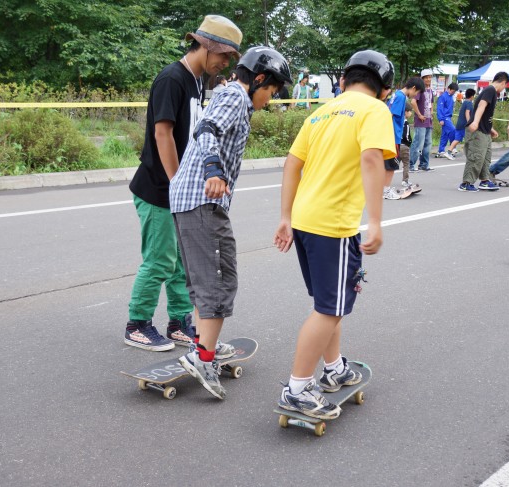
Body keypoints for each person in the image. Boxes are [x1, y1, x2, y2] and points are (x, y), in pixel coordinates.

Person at [273, 50, 395, 419]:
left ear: (342, 82)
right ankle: (297, 389)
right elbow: (373, 160)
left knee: (331, 303)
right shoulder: (375, 110)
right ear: (385, 90)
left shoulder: (320, 112)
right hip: (334, 224)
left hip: (305, 220)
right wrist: (375, 221)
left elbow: (293, 164)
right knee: (330, 309)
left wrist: (284, 216)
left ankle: (334, 369)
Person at [171, 46, 292, 399]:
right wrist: (213, 168)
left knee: (202, 279)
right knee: (222, 280)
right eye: (271, 91)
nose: (269, 99)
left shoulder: (228, 94)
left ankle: (202, 344)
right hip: (203, 200)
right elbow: (206, 129)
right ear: (258, 79)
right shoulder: (236, 96)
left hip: (187, 200)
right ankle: (203, 357)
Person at [125, 15, 242, 351]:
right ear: (205, 47)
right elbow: (162, 133)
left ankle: (179, 321)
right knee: (160, 259)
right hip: (158, 188)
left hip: (176, 192)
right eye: (223, 55)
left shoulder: (196, 81)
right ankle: (137, 323)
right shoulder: (172, 78)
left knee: (181, 261)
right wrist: (177, 182)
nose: (224, 64)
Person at [458, 71, 509, 192]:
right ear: (503, 82)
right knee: (476, 157)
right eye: (505, 85)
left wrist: (491, 129)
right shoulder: (490, 90)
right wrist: (475, 122)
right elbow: (481, 105)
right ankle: (466, 183)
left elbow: (485, 114)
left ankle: (485, 181)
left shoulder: (492, 92)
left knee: (486, 157)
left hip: (485, 130)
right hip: (478, 130)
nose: (504, 88)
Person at [384, 77, 424, 199]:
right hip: (393, 135)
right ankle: (385, 191)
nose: (414, 95)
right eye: (416, 93)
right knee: (392, 165)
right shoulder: (401, 97)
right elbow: (389, 115)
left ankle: (381, 188)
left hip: (390, 134)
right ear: (413, 88)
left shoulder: (396, 95)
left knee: (386, 164)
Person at [409, 69, 435, 171]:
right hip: (421, 121)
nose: (428, 79)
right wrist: (419, 114)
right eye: (426, 77)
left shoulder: (430, 90)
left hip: (429, 121)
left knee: (428, 144)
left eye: (430, 77)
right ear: (422, 78)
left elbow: (431, 102)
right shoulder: (420, 89)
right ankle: (410, 165)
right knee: (418, 143)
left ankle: (424, 164)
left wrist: (432, 112)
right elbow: (413, 102)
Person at [447, 88, 475, 156]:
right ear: (472, 96)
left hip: (459, 123)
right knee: (470, 139)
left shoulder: (464, 102)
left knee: (457, 139)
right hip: (464, 125)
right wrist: (469, 123)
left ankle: (449, 152)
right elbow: (467, 113)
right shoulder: (469, 103)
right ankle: (471, 154)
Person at [436, 82, 458, 159]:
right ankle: (453, 147)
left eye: (454, 92)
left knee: (445, 134)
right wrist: (441, 119)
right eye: (452, 91)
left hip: (448, 117)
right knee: (453, 130)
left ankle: (441, 150)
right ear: (448, 89)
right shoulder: (443, 97)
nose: (453, 93)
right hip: (445, 117)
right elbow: (439, 108)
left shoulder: (451, 97)